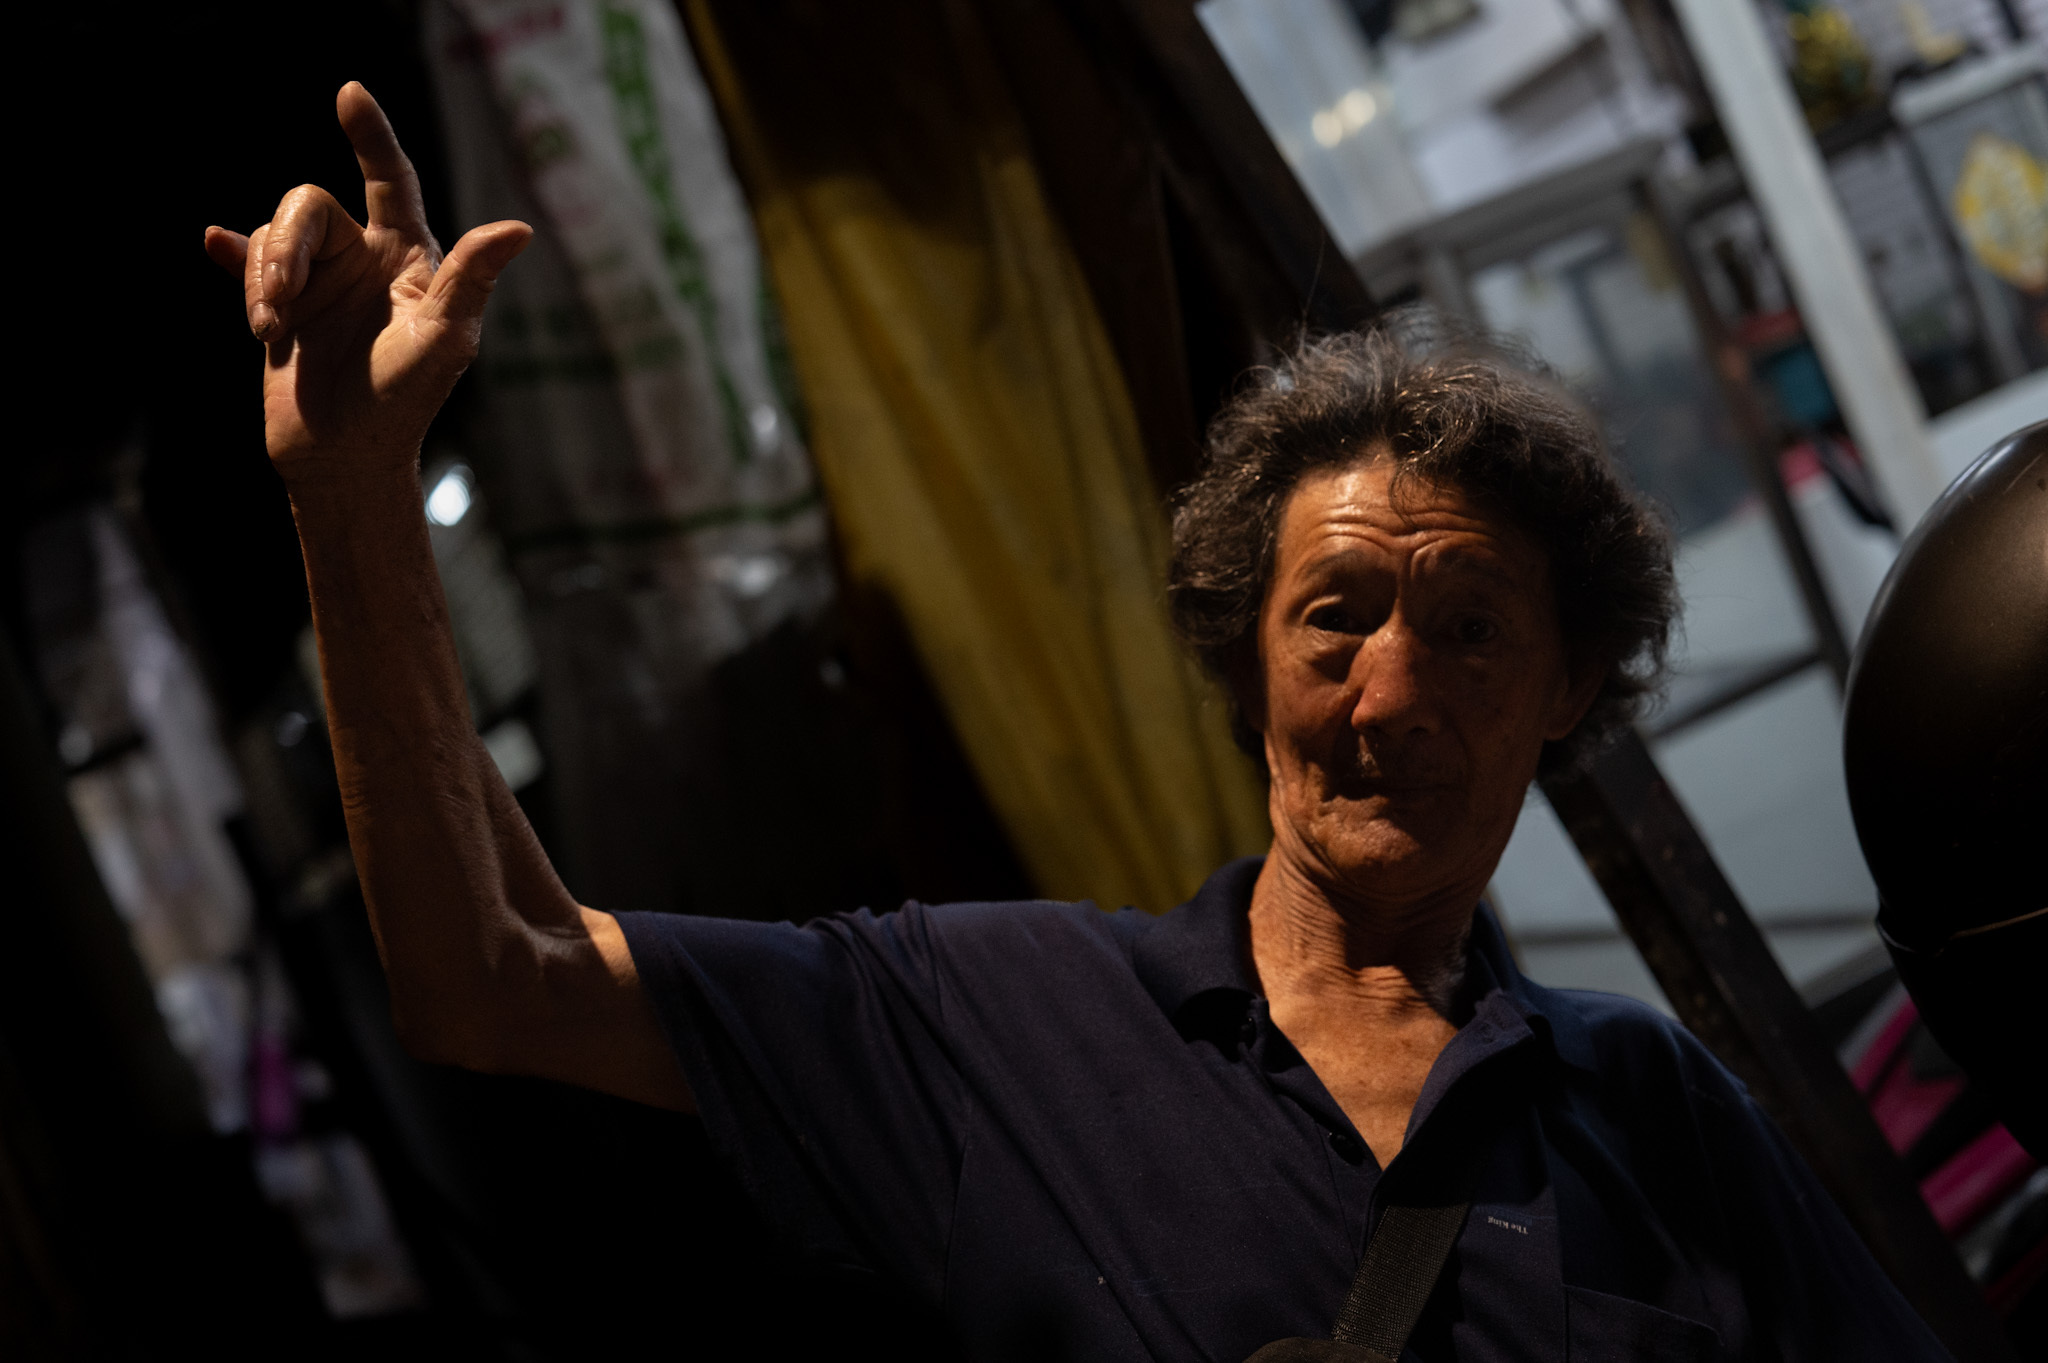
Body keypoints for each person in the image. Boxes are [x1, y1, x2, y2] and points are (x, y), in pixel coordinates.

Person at [205, 84, 1953, 1362]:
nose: (1394, 691)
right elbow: (490, 977)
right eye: (1335, 615)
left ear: (1570, 690)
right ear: (1243, 661)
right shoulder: (990, 1023)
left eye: (1475, 632)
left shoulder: (1652, 1110)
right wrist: (351, 491)